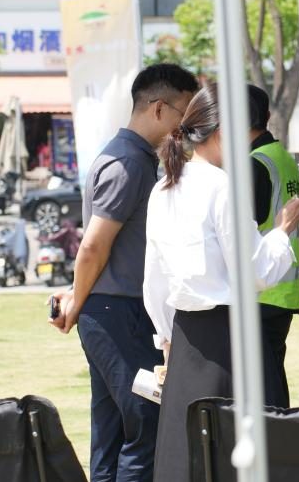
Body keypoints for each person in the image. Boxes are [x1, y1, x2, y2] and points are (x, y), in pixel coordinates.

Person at [142, 83, 299, 482]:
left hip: (184, 336)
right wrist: (283, 230)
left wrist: (165, 339)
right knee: (244, 455)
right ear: (222, 133)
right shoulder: (221, 186)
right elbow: (255, 271)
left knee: (188, 459)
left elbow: (154, 281)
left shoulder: (163, 188)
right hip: (233, 337)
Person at [49, 63, 199, 482]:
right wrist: (76, 301)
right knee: (146, 420)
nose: (186, 127)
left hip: (113, 312)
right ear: (158, 108)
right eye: (183, 114)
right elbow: (93, 245)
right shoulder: (128, 164)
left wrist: (78, 299)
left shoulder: (126, 156)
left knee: (112, 431)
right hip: (118, 314)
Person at [248, 84, 299, 408]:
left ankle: (280, 436)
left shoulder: (255, 163)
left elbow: (247, 228)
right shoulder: (280, 156)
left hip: (262, 288)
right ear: (267, 115)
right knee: (271, 379)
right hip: (282, 287)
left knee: (264, 389)